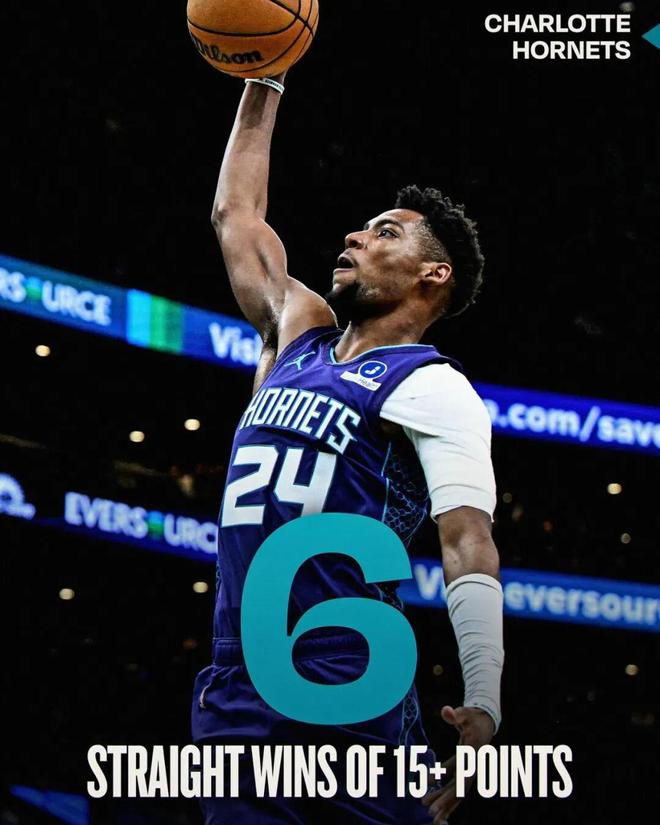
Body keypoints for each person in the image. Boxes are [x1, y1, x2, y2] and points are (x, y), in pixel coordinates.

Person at [192, 72, 504, 825]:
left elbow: (468, 542)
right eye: (362, 228)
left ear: (434, 275)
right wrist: (266, 75)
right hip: (239, 686)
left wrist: (485, 698)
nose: (355, 237)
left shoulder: (434, 387)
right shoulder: (295, 331)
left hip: (350, 689)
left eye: (385, 232)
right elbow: (236, 214)